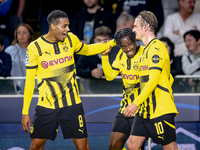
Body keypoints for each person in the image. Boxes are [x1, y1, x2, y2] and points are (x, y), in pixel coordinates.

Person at [21, 10, 116, 150]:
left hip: (72, 106)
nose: (68, 29)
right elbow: (29, 82)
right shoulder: (34, 48)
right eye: (64, 26)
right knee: (36, 146)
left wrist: (114, 41)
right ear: (53, 26)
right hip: (46, 106)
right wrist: (25, 112)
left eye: (68, 25)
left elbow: (88, 49)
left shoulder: (71, 39)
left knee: (83, 147)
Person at [123, 11, 179, 150]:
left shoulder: (157, 47)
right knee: (132, 145)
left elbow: (153, 79)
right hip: (144, 110)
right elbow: (167, 77)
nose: (133, 29)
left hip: (160, 109)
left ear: (146, 27)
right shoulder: (144, 50)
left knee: (169, 147)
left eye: (136, 26)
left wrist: (135, 103)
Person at [101, 28, 144, 150]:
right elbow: (110, 76)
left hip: (142, 109)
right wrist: (104, 57)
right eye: (124, 46)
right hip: (125, 109)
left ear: (135, 41)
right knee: (114, 146)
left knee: (135, 147)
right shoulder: (120, 55)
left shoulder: (145, 53)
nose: (128, 49)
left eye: (130, 44)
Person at [5, 23, 34, 94]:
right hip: (11, 90)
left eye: (24, 32)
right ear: (16, 36)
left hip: (32, 91)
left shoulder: (35, 51)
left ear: (30, 35)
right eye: (19, 33)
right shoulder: (9, 51)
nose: (21, 35)